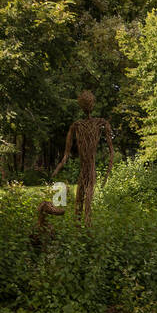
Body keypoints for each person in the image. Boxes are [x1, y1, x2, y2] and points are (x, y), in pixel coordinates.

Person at [52, 90, 114, 224]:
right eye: (85, 104)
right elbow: (66, 154)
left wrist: (106, 175)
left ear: (91, 105)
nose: (87, 106)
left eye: (88, 103)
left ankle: (87, 231)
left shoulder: (101, 124)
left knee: (87, 204)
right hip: (83, 171)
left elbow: (111, 152)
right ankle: (79, 231)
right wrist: (58, 168)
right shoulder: (76, 126)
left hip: (91, 171)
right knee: (78, 203)